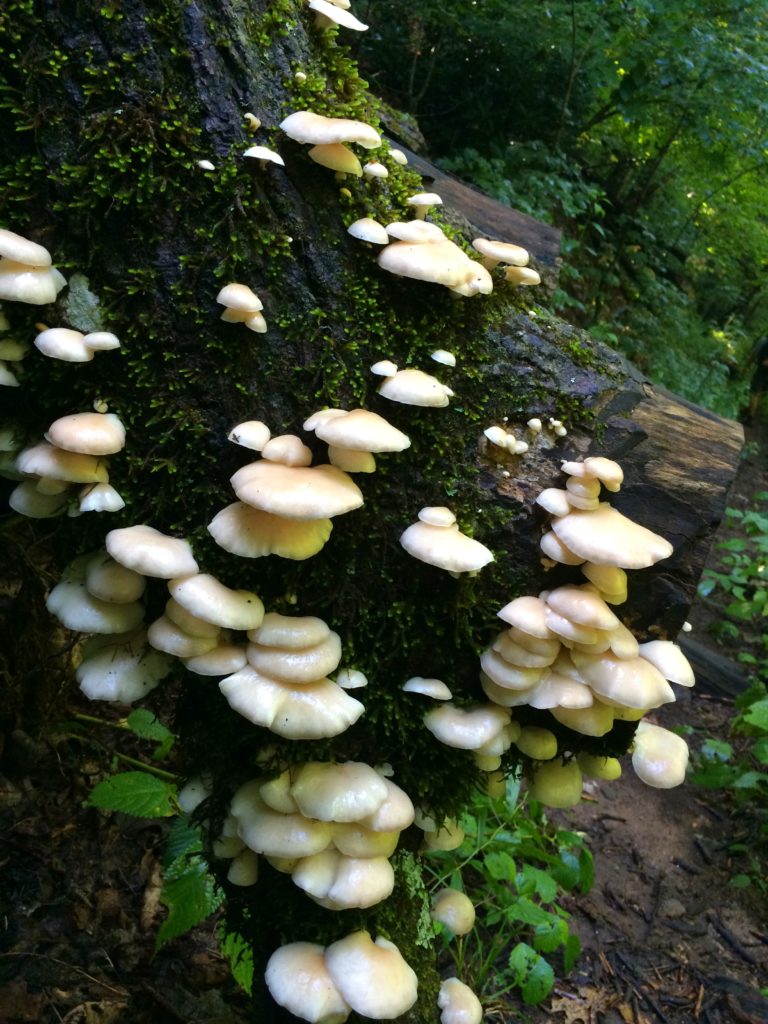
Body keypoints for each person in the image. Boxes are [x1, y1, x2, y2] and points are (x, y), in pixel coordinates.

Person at [745, 335, 768, 424]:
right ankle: (750, 412)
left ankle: (750, 417)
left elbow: (765, 362)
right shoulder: (764, 342)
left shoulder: (765, 343)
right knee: (756, 394)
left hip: (763, 374)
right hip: (762, 373)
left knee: (754, 393)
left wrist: (748, 365)